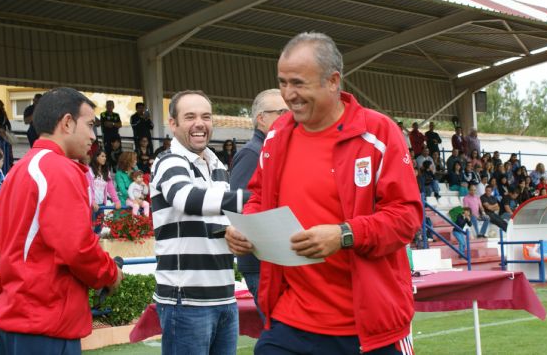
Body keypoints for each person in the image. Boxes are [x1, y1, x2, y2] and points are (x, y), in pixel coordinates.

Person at [225, 33, 421, 355]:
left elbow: (406, 218)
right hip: (291, 320)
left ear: (333, 81)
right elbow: (259, 196)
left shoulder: (379, 133)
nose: (289, 95)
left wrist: (344, 234)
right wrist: (246, 227)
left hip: (366, 327)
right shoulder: (277, 135)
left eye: (299, 83)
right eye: (283, 82)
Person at [0, 87, 122, 355]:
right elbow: (77, 248)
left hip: (19, 316)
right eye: (91, 125)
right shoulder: (58, 169)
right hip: (44, 320)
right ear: (68, 122)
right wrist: (110, 273)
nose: (94, 136)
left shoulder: (19, 169)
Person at [150, 90, 249, 355]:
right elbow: (187, 199)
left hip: (225, 296)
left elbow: (217, 219)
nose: (200, 123)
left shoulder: (217, 164)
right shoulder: (168, 161)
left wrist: (233, 231)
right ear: (173, 123)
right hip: (185, 301)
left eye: (206, 116)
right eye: (190, 116)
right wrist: (252, 200)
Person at [230, 88, 287, 312]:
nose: (289, 117)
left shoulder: (269, 150)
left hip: (273, 260)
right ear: (261, 118)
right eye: (282, 112)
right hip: (261, 264)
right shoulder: (253, 153)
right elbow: (240, 204)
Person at [88, 149, 122, 233]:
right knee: (90, 228)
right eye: (102, 156)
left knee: (99, 228)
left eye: (105, 156)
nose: (105, 158)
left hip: (101, 204)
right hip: (91, 205)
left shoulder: (106, 171)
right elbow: (87, 187)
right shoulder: (89, 170)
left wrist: (116, 201)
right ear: (96, 157)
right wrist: (92, 201)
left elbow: (111, 188)